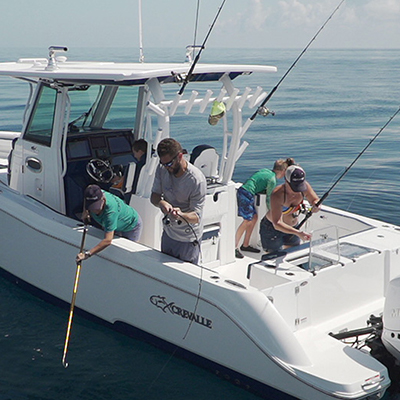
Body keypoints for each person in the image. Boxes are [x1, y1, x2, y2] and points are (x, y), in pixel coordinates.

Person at [150, 138, 206, 264]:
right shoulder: (162, 168)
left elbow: (196, 216)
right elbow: (154, 196)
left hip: (187, 239)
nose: (166, 168)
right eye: (163, 164)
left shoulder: (196, 180)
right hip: (168, 233)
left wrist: (180, 215)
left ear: (180, 156)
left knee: (186, 276)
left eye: (169, 164)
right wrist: (161, 202)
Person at [235, 158, 295, 259]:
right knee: (247, 221)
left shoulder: (266, 172)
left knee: (254, 218)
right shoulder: (272, 180)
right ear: (283, 171)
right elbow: (269, 198)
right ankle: (234, 247)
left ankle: (245, 245)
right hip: (246, 193)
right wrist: (272, 212)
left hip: (245, 191)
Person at [259, 165, 320, 253]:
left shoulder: (305, 186)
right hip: (272, 229)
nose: (297, 190)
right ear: (286, 181)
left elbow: (315, 200)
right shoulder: (277, 194)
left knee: (293, 254)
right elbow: (277, 223)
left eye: (300, 185)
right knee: (273, 258)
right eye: (294, 186)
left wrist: (316, 206)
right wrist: (298, 233)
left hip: (293, 227)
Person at [76, 184, 142, 262]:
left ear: (103, 199)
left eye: (97, 207)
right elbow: (87, 193)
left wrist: (87, 254)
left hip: (131, 225)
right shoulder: (94, 192)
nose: (95, 210)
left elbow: (107, 240)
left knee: (128, 255)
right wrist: (85, 211)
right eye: (92, 207)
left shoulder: (111, 212)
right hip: (114, 223)